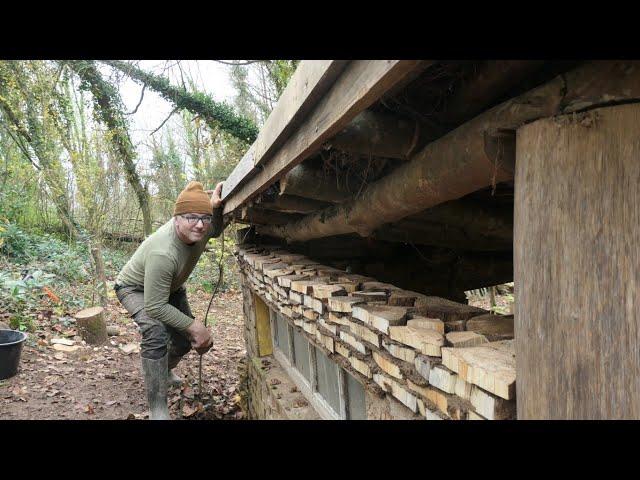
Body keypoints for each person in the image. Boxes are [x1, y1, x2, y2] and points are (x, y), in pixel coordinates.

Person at [114, 181, 225, 419]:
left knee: (183, 342)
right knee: (156, 333)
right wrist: (195, 326)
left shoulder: (202, 230)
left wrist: (214, 208)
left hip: (170, 287)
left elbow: (215, 228)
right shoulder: (163, 252)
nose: (200, 224)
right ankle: (157, 408)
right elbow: (154, 306)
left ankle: (163, 371)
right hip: (134, 288)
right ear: (176, 219)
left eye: (204, 218)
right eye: (191, 218)